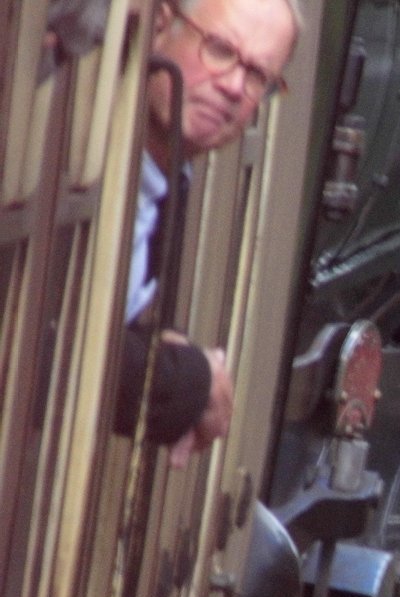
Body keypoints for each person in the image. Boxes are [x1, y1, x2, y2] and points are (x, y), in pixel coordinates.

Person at [116, 0, 298, 465]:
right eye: (219, 49)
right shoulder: (73, 152)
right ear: (160, 25)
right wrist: (192, 380)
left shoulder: (170, 178)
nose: (235, 86)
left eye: (258, 76)